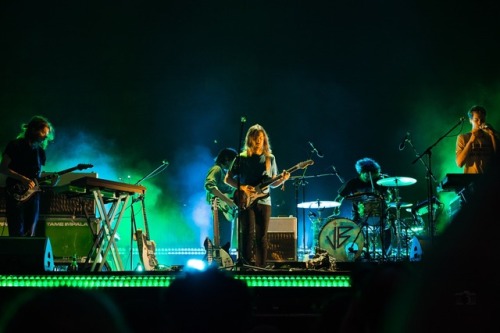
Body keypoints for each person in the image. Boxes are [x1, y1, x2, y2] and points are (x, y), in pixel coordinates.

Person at [224, 124, 290, 268]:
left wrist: (283, 179)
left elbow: (272, 183)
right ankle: (246, 267)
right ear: (250, 140)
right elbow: (227, 179)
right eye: (256, 138)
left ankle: (260, 268)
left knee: (261, 237)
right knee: (247, 235)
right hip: (245, 201)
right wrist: (241, 187)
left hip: (265, 201)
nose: (259, 140)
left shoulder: (269, 158)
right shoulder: (241, 158)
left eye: (261, 138)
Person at [0, 115, 58, 237]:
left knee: (29, 234)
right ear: (33, 130)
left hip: (32, 196)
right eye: (43, 132)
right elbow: (3, 168)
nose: (46, 136)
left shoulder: (40, 152)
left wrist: (52, 182)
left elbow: (37, 179)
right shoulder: (15, 145)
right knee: (16, 232)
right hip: (15, 194)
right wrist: (22, 179)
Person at [331, 157, 393, 259]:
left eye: (372, 174)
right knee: (354, 230)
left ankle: (386, 253)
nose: (369, 176)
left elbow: (389, 197)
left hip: (380, 213)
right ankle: (359, 252)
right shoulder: (353, 183)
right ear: (361, 172)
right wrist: (337, 207)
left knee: (388, 227)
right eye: (366, 173)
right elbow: (339, 196)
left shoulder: (380, 181)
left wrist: (389, 197)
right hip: (358, 214)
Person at [204, 147, 239, 253]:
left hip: (226, 212)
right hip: (219, 210)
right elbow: (209, 185)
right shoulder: (217, 169)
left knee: (226, 243)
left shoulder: (225, 173)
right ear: (227, 159)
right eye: (234, 161)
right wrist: (227, 200)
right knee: (221, 241)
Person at [456, 105, 498, 174]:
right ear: (470, 120)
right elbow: (459, 163)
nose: (479, 122)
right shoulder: (463, 137)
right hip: (470, 181)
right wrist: (471, 141)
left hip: (489, 181)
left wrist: (492, 135)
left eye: (482, 120)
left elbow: (496, 159)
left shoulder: (490, 136)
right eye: (476, 120)